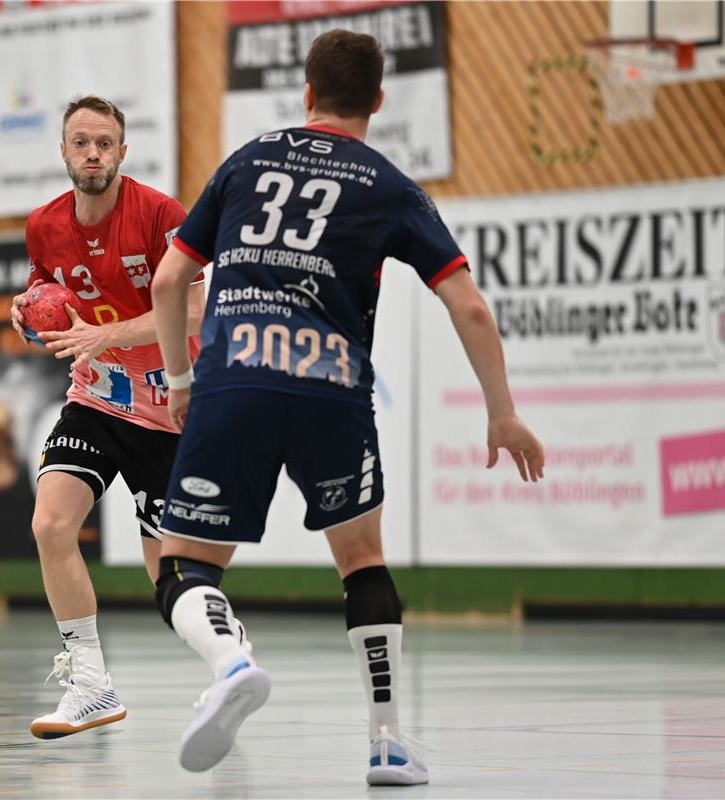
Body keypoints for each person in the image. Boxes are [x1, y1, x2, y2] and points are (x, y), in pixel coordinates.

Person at [149, 30, 545, 784]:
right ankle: (387, 743)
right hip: (332, 390)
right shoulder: (390, 183)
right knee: (361, 561)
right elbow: (469, 308)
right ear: (379, 102)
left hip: (233, 381)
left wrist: (179, 381)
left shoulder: (246, 160)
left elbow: (170, 282)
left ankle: (230, 661)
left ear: (305, 95)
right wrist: (501, 411)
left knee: (186, 565)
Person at [10, 95, 217, 740]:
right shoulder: (43, 226)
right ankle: (91, 684)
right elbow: (52, 303)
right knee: (50, 523)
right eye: (81, 142)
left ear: (123, 152)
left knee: (170, 579)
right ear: (65, 151)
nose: (92, 153)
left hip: (165, 404)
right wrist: (28, 317)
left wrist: (111, 335)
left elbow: (195, 311)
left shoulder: (160, 215)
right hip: (96, 396)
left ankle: (230, 665)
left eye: (105, 143)